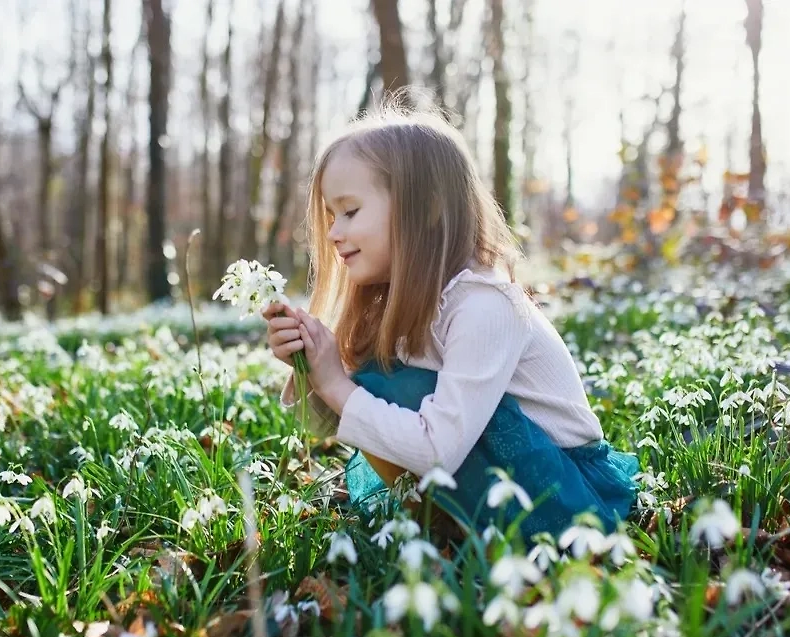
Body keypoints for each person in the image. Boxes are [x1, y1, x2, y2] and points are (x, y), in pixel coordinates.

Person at [262, 99, 637, 543]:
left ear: (427, 208)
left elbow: (436, 451)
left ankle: (446, 530)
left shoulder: (485, 304)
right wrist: (312, 368)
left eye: (350, 212)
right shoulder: (404, 302)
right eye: (330, 216)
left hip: (566, 499)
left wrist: (337, 384)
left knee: (396, 387)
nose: (333, 233)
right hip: (507, 475)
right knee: (381, 380)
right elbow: (334, 423)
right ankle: (439, 527)